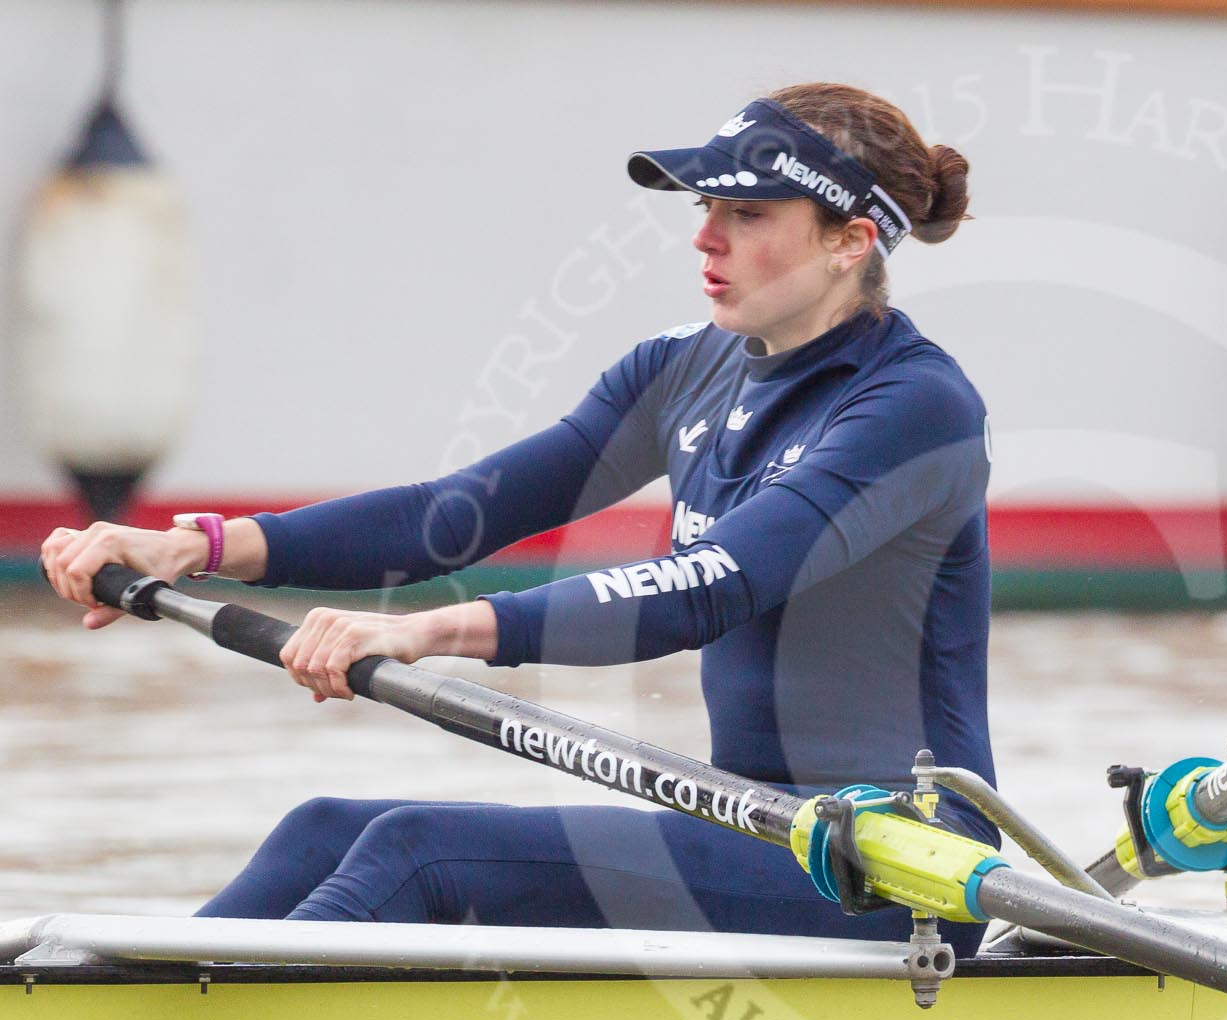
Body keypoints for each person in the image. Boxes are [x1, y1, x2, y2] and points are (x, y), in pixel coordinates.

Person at [40, 84, 997, 953]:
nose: (706, 238)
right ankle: (106, 1014)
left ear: (849, 241)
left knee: (422, 852)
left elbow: (711, 587)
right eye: (706, 208)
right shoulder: (679, 368)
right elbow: (451, 516)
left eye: (748, 213)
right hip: (752, 824)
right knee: (323, 828)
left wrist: (426, 631)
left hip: (895, 863)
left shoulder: (915, 410)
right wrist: (194, 544)